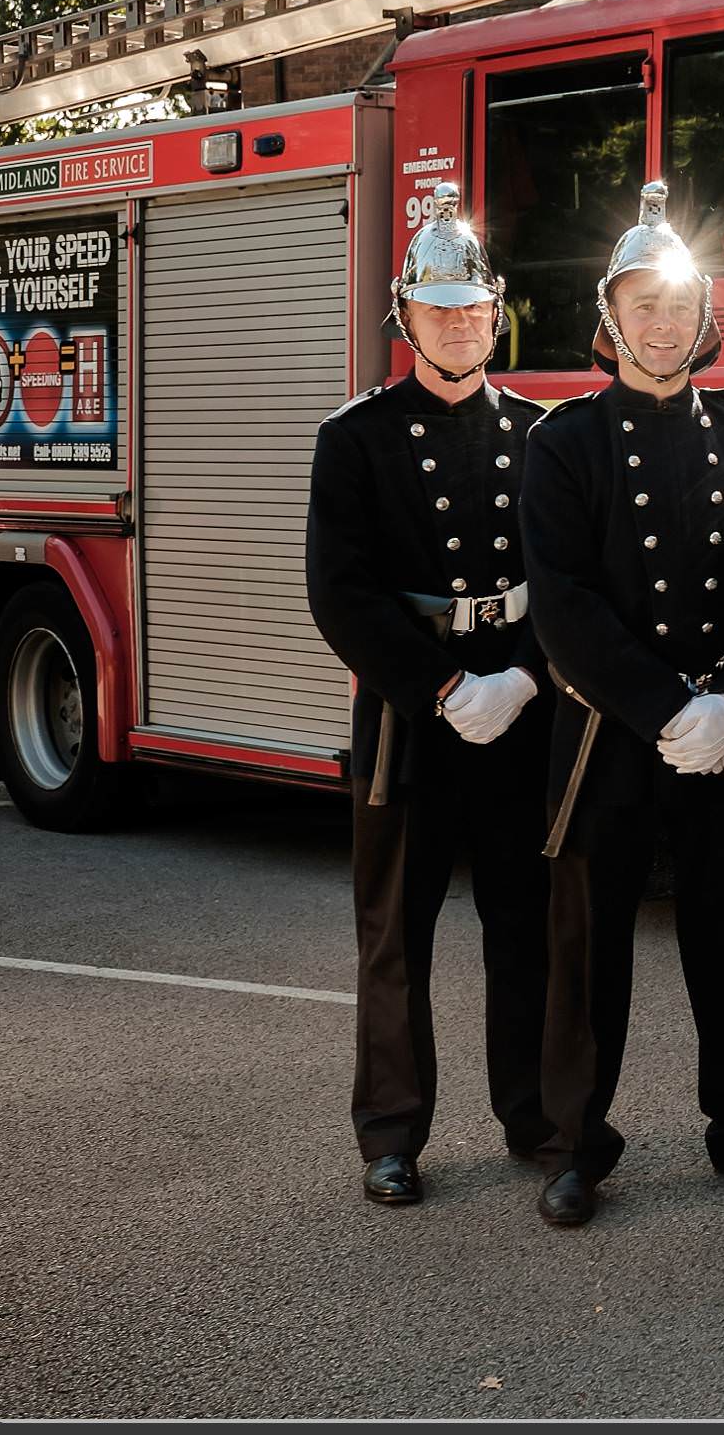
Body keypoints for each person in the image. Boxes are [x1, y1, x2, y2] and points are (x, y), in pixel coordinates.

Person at [521, 183, 724, 1228]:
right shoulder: (565, 440)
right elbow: (564, 600)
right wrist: (668, 708)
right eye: (642, 306)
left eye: (677, 305)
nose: (662, 323)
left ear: (702, 317)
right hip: (612, 734)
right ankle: (578, 1140)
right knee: (590, 952)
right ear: (610, 320)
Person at [305, 185, 551, 1206]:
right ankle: (393, 1133)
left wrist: (528, 672)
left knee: (527, 922)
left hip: (523, 706)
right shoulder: (356, 436)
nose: (459, 324)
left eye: (473, 308)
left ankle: (535, 1111)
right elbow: (341, 593)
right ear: (403, 317)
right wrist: (445, 686)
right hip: (415, 713)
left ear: (497, 314)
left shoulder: (544, 433)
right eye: (438, 308)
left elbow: (574, 576)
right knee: (396, 933)